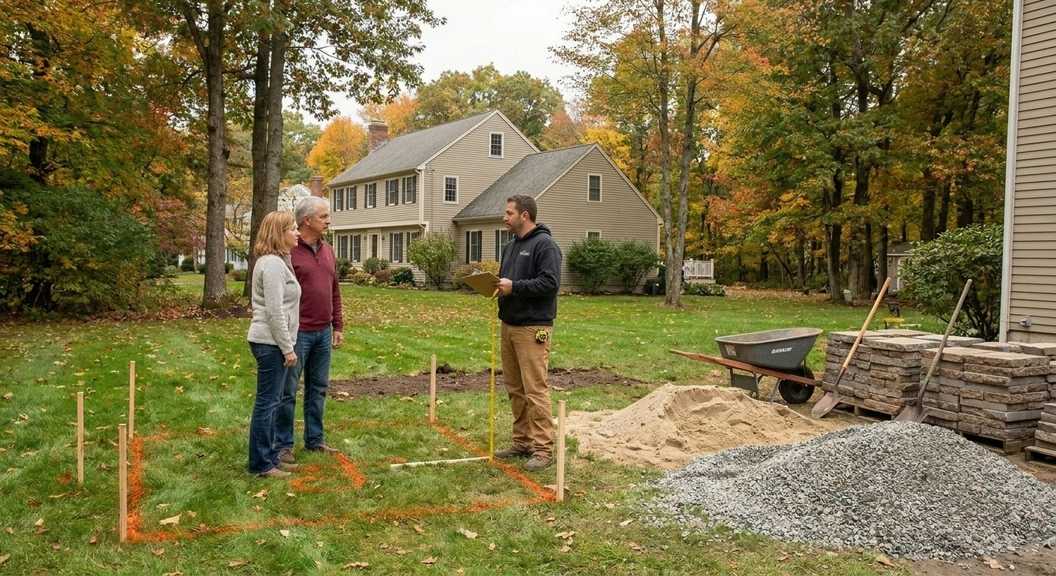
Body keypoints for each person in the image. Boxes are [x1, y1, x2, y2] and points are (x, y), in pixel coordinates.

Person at [494, 195, 562, 471]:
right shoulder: (510, 247)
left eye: (509, 213)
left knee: (535, 389)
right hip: (509, 325)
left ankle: (543, 450)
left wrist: (516, 287)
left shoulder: (545, 245)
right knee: (515, 388)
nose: (504, 217)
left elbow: (550, 283)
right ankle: (522, 442)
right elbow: (508, 282)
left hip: (533, 327)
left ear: (525, 215)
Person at [275, 196, 344, 463]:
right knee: (287, 392)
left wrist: (337, 324)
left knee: (318, 388)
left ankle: (315, 440)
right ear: (307, 221)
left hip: (323, 333)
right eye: (323, 217)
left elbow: (334, 289)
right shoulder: (288, 252)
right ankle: (283, 445)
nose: (328, 221)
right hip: (297, 333)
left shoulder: (328, 250)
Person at [246, 211, 301, 478]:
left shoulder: (278, 262)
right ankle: (261, 464)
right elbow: (274, 311)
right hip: (270, 343)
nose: (297, 233)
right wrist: (288, 347)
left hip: (272, 342)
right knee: (267, 403)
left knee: (273, 401)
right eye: (292, 229)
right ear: (279, 234)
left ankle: (268, 457)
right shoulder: (272, 265)